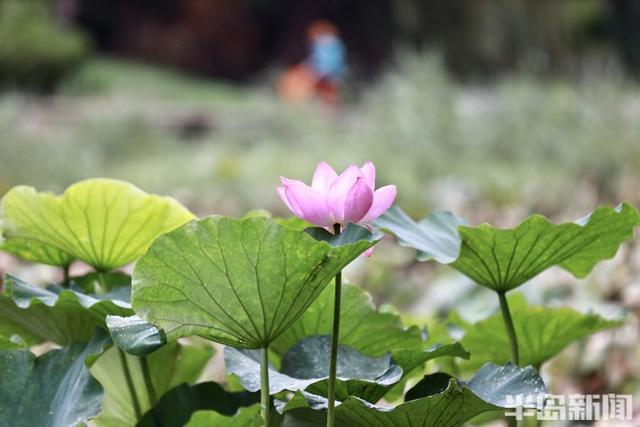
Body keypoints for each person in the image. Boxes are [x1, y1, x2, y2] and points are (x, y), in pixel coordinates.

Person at [279, 20, 346, 107]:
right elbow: (313, 60)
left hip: (325, 73)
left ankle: (295, 104)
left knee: (298, 82)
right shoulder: (332, 44)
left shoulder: (328, 45)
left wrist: (311, 71)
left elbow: (323, 63)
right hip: (327, 73)